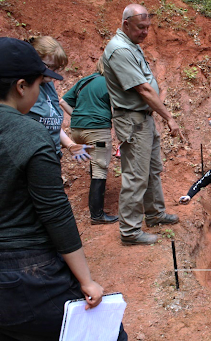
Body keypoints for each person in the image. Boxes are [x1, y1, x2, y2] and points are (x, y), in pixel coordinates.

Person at [0, 37, 127, 341]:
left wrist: (69, 143)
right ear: (21, 87)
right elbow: (55, 213)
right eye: (38, 83)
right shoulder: (30, 134)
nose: (41, 90)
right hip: (25, 270)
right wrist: (86, 280)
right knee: (110, 334)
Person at [103, 3, 183, 245]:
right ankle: (129, 231)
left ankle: (155, 214)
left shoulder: (131, 45)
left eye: (148, 27)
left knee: (152, 170)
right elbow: (143, 89)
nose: (145, 32)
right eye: (141, 28)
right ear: (126, 24)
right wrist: (169, 117)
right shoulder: (119, 50)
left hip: (144, 119)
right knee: (136, 176)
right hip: (132, 120)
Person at [60, 56, 119, 225]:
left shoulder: (85, 81)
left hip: (76, 131)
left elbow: (62, 101)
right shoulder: (110, 83)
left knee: (95, 164)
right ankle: (97, 216)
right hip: (97, 130)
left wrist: (79, 117)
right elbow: (116, 109)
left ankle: (97, 212)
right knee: (100, 167)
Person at [26, 36, 92, 162]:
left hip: (52, 156)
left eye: (57, 68)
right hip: (34, 157)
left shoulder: (48, 85)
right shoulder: (25, 88)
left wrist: (70, 144)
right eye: (51, 67)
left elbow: (51, 121)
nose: (54, 73)